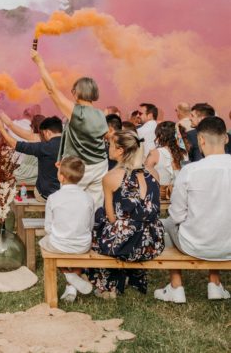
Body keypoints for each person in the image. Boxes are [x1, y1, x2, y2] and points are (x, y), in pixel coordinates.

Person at [155, 116, 231, 303]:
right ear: (226, 138)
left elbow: (177, 215)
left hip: (195, 245)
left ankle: (176, 286)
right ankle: (214, 284)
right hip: (229, 245)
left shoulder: (190, 171)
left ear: (201, 140)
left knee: (169, 224)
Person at [87, 130, 164, 298]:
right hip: (152, 242)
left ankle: (108, 285)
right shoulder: (154, 173)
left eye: (110, 145)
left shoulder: (111, 177)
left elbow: (112, 218)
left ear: (120, 150)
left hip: (125, 243)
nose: (108, 148)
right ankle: (132, 278)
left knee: (99, 222)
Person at [31, 49, 108, 209]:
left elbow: (51, 90)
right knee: (94, 209)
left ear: (77, 92)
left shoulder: (77, 113)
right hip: (100, 165)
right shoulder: (101, 114)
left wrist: (40, 63)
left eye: (73, 90)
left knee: (71, 206)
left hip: (79, 167)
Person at [39, 156, 95, 302]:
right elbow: (90, 225)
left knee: (43, 244)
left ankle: (67, 274)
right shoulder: (88, 198)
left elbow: (48, 227)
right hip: (82, 245)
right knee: (75, 248)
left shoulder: (53, 197)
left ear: (61, 178)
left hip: (59, 244)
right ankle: (72, 284)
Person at [0, 114, 63, 201]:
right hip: (65, 194)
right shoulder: (71, 146)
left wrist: (1, 128)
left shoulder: (43, 147)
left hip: (45, 195)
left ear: (48, 132)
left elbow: (15, 144)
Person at [144, 121, 187, 200]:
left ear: (161, 135)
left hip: (160, 198)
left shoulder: (155, 153)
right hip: (181, 197)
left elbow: (146, 177)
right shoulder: (184, 153)